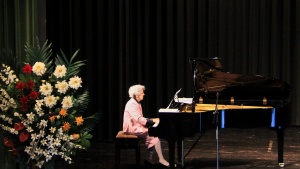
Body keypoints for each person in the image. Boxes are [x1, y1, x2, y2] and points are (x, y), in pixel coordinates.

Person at [123, 84, 169, 167]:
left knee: (155, 134)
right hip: (132, 127)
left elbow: (140, 118)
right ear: (137, 95)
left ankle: (149, 158)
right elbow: (139, 119)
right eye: (142, 93)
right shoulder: (132, 104)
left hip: (137, 126)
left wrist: (152, 120)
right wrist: (153, 121)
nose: (143, 94)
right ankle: (160, 159)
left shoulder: (136, 103)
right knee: (154, 134)